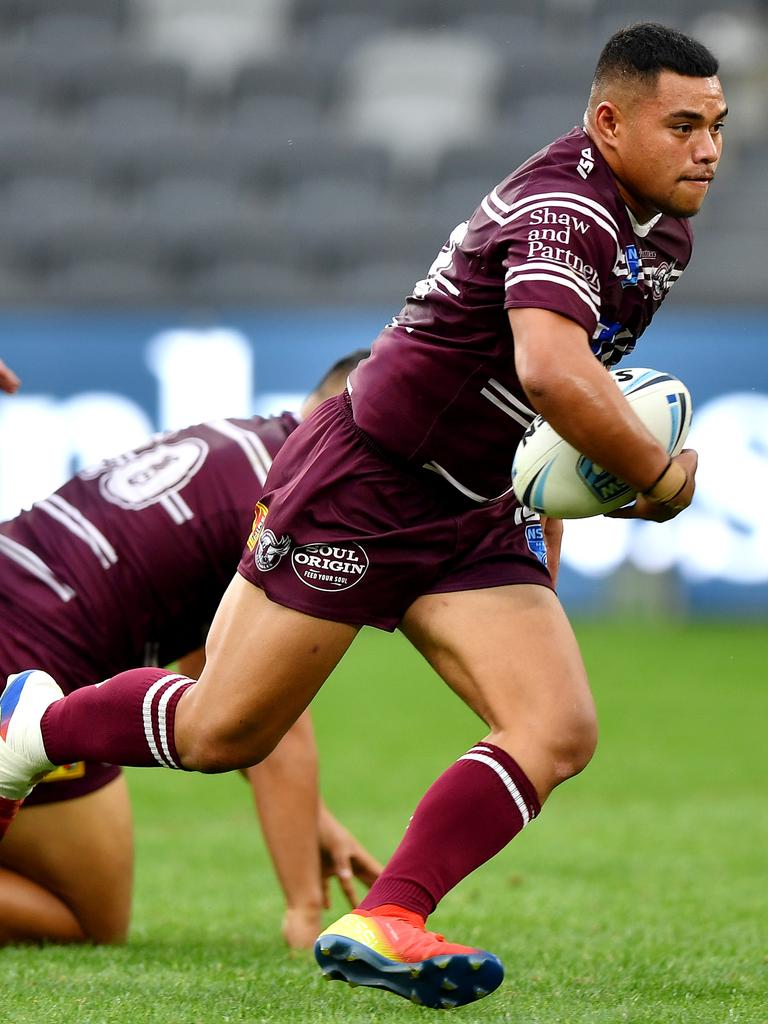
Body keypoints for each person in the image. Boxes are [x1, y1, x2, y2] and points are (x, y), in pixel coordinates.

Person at [0, 22, 725, 1009]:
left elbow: (554, 400)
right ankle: (36, 726)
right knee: (226, 732)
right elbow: (551, 370)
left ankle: (391, 914)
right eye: (683, 125)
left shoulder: (663, 230)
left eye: (716, 126)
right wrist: (657, 477)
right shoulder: (567, 207)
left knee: (555, 725)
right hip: (369, 480)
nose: (708, 150)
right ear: (608, 122)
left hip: (470, 500)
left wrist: (566, 517)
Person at [0, 350, 380, 947]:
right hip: (28, 659)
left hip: (25, 610)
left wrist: (313, 823)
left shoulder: (249, 445)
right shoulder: (298, 500)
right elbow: (268, 716)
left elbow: (212, 674)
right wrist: (307, 909)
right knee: (85, 919)